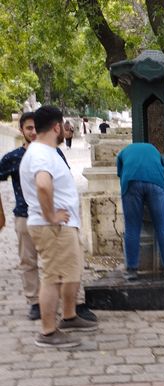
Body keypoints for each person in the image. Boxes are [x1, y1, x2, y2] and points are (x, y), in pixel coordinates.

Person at [0, 112, 95, 322]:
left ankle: (69, 310)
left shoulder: (51, 152)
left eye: (35, 127)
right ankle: (40, 310)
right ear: (21, 130)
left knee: (63, 270)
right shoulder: (21, 156)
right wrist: (50, 215)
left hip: (51, 219)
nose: (33, 132)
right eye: (29, 128)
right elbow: (43, 184)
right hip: (33, 217)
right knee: (38, 267)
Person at [20, 105, 98, 348]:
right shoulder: (41, 154)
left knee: (70, 272)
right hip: (52, 227)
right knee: (53, 277)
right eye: (63, 125)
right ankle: (47, 331)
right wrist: (51, 216)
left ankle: (69, 315)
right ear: (56, 127)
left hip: (62, 226)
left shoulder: (46, 151)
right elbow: (43, 185)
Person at [116, 143, 164, 280]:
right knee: (162, 225)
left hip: (131, 181)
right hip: (156, 182)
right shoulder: (154, 149)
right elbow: (162, 168)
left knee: (132, 227)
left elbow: (121, 174)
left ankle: (132, 270)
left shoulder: (123, 152)